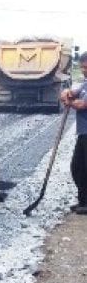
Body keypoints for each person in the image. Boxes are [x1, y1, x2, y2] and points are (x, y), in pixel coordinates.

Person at [61, 51, 87, 214]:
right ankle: (83, 200)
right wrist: (67, 93)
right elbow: (74, 92)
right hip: (84, 132)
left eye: (86, 67)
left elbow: (83, 105)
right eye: (83, 67)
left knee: (83, 168)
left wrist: (69, 102)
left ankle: (85, 202)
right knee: (77, 167)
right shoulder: (86, 82)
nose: (84, 70)